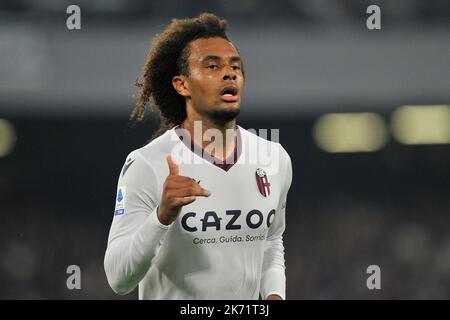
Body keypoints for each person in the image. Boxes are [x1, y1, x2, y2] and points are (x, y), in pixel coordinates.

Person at [104, 12, 292, 300]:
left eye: (235, 67)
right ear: (182, 85)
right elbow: (118, 279)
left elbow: (270, 240)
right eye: (213, 66)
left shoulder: (273, 157)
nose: (229, 73)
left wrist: (274, 295)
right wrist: (161, 216)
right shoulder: (148, 164)